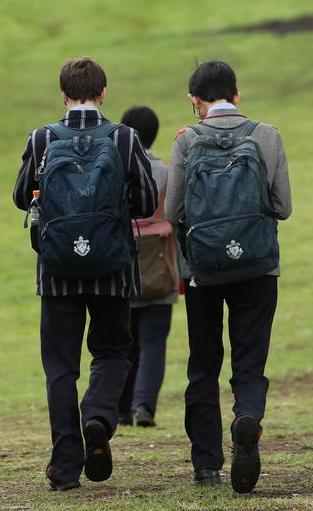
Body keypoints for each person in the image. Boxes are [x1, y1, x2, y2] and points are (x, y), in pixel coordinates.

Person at [12, 57, 158, 492]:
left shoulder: (42, 138)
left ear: (63, 94)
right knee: (113, 351)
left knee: (60, 368)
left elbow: (22, 197)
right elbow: (147, 201)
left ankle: (64, 466)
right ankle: (96, 415)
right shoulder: (124, 137)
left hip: (57, 269)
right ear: (103, 92)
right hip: (112, 267)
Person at [165, 60, 291, 494]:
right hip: (258, 266)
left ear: (194, 101)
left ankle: (205, 464)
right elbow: (284, 206)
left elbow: (171, 212)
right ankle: (247, 415)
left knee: (203, 363)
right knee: (249, 358)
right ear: (237, 96)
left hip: (202, 269)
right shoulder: (267, 135)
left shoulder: (187, 140)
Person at [117, 106, 179, 429]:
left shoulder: (114, 169)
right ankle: (145, 407)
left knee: (123, 341)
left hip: (122, 270)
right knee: (154, 341)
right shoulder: (167, 171)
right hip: (159, 268)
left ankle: (121, 408)